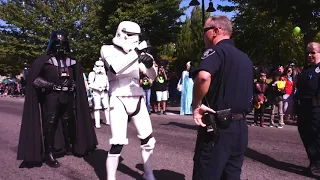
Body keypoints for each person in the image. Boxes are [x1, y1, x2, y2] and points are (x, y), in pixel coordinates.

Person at [17, 30, 98, 168]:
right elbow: (34, 79)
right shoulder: (44, 61)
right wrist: (50, 85)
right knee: (51, 124)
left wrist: (73, 85)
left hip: (68, 96)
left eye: (64, 43)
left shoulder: (72, 61)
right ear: (53, 43)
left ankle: (70, 146)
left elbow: (78, 79)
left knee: (69, 121)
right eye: (58, 43)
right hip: (51, 97)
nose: (61, 46)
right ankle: (49, 153)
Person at [191, 16, 253, 180]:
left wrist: (196, 104)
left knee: (206, 173)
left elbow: (203, 76)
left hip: (218, 126)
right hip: (240, 127)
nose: (203, 35)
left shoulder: (216, 51)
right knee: (231, 174)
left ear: (215, 31)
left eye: (205, 31)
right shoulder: (244, 57)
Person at [100, 21, 157, 180]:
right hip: (118, 98)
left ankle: (149, 173)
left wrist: (150, 64)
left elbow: (152, 77)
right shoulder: (107, 49)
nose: (135, 39)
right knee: (118, 143)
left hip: (137, 97)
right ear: (121, 33)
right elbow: (115, 68)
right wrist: (137, 52)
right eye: (132, 35)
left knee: (149, 141)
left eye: (137, 36)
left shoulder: (137, 52)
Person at [296, 42, 320, 176]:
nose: (310, 55)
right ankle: (314, 163)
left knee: (317, 138)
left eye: (313, 52)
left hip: (317, 110)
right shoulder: (305, 71)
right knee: (307, 137)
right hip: (304, 110)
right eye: (308, 53)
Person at [88, 59, 110, 128]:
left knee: (106, 107)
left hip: (104, 92)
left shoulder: (105, 74)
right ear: (95, 66)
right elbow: (90, 84)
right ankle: (97, 123)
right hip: (96, 92)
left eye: (101, 66)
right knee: (97, 108)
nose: (100, 67)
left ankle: (108, 121)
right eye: (98, 66)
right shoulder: (92, 74)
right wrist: (98, 88)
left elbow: (107, 83)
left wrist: (107, 88)